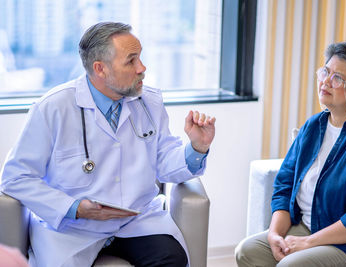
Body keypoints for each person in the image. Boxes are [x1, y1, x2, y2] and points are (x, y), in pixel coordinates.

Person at [0, 22, 216, 267]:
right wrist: (74, 208)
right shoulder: (53, 108)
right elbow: (16, 177)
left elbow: (165, 163)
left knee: (173, 260)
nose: (142, 68)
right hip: (72, 228)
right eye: (131, 60)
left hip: (136, 221)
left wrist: (197, 148)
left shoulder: (150, 102)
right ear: (100, 69)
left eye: (140, 58)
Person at [235, 41, 346, 266]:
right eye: (325, 71)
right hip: (308, 227)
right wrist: (274, 234)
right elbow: (284, 185)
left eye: (337, 78)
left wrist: (308, 243)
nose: (325, 81)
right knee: (248, 250)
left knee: (290, 265)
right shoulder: (314, 125)